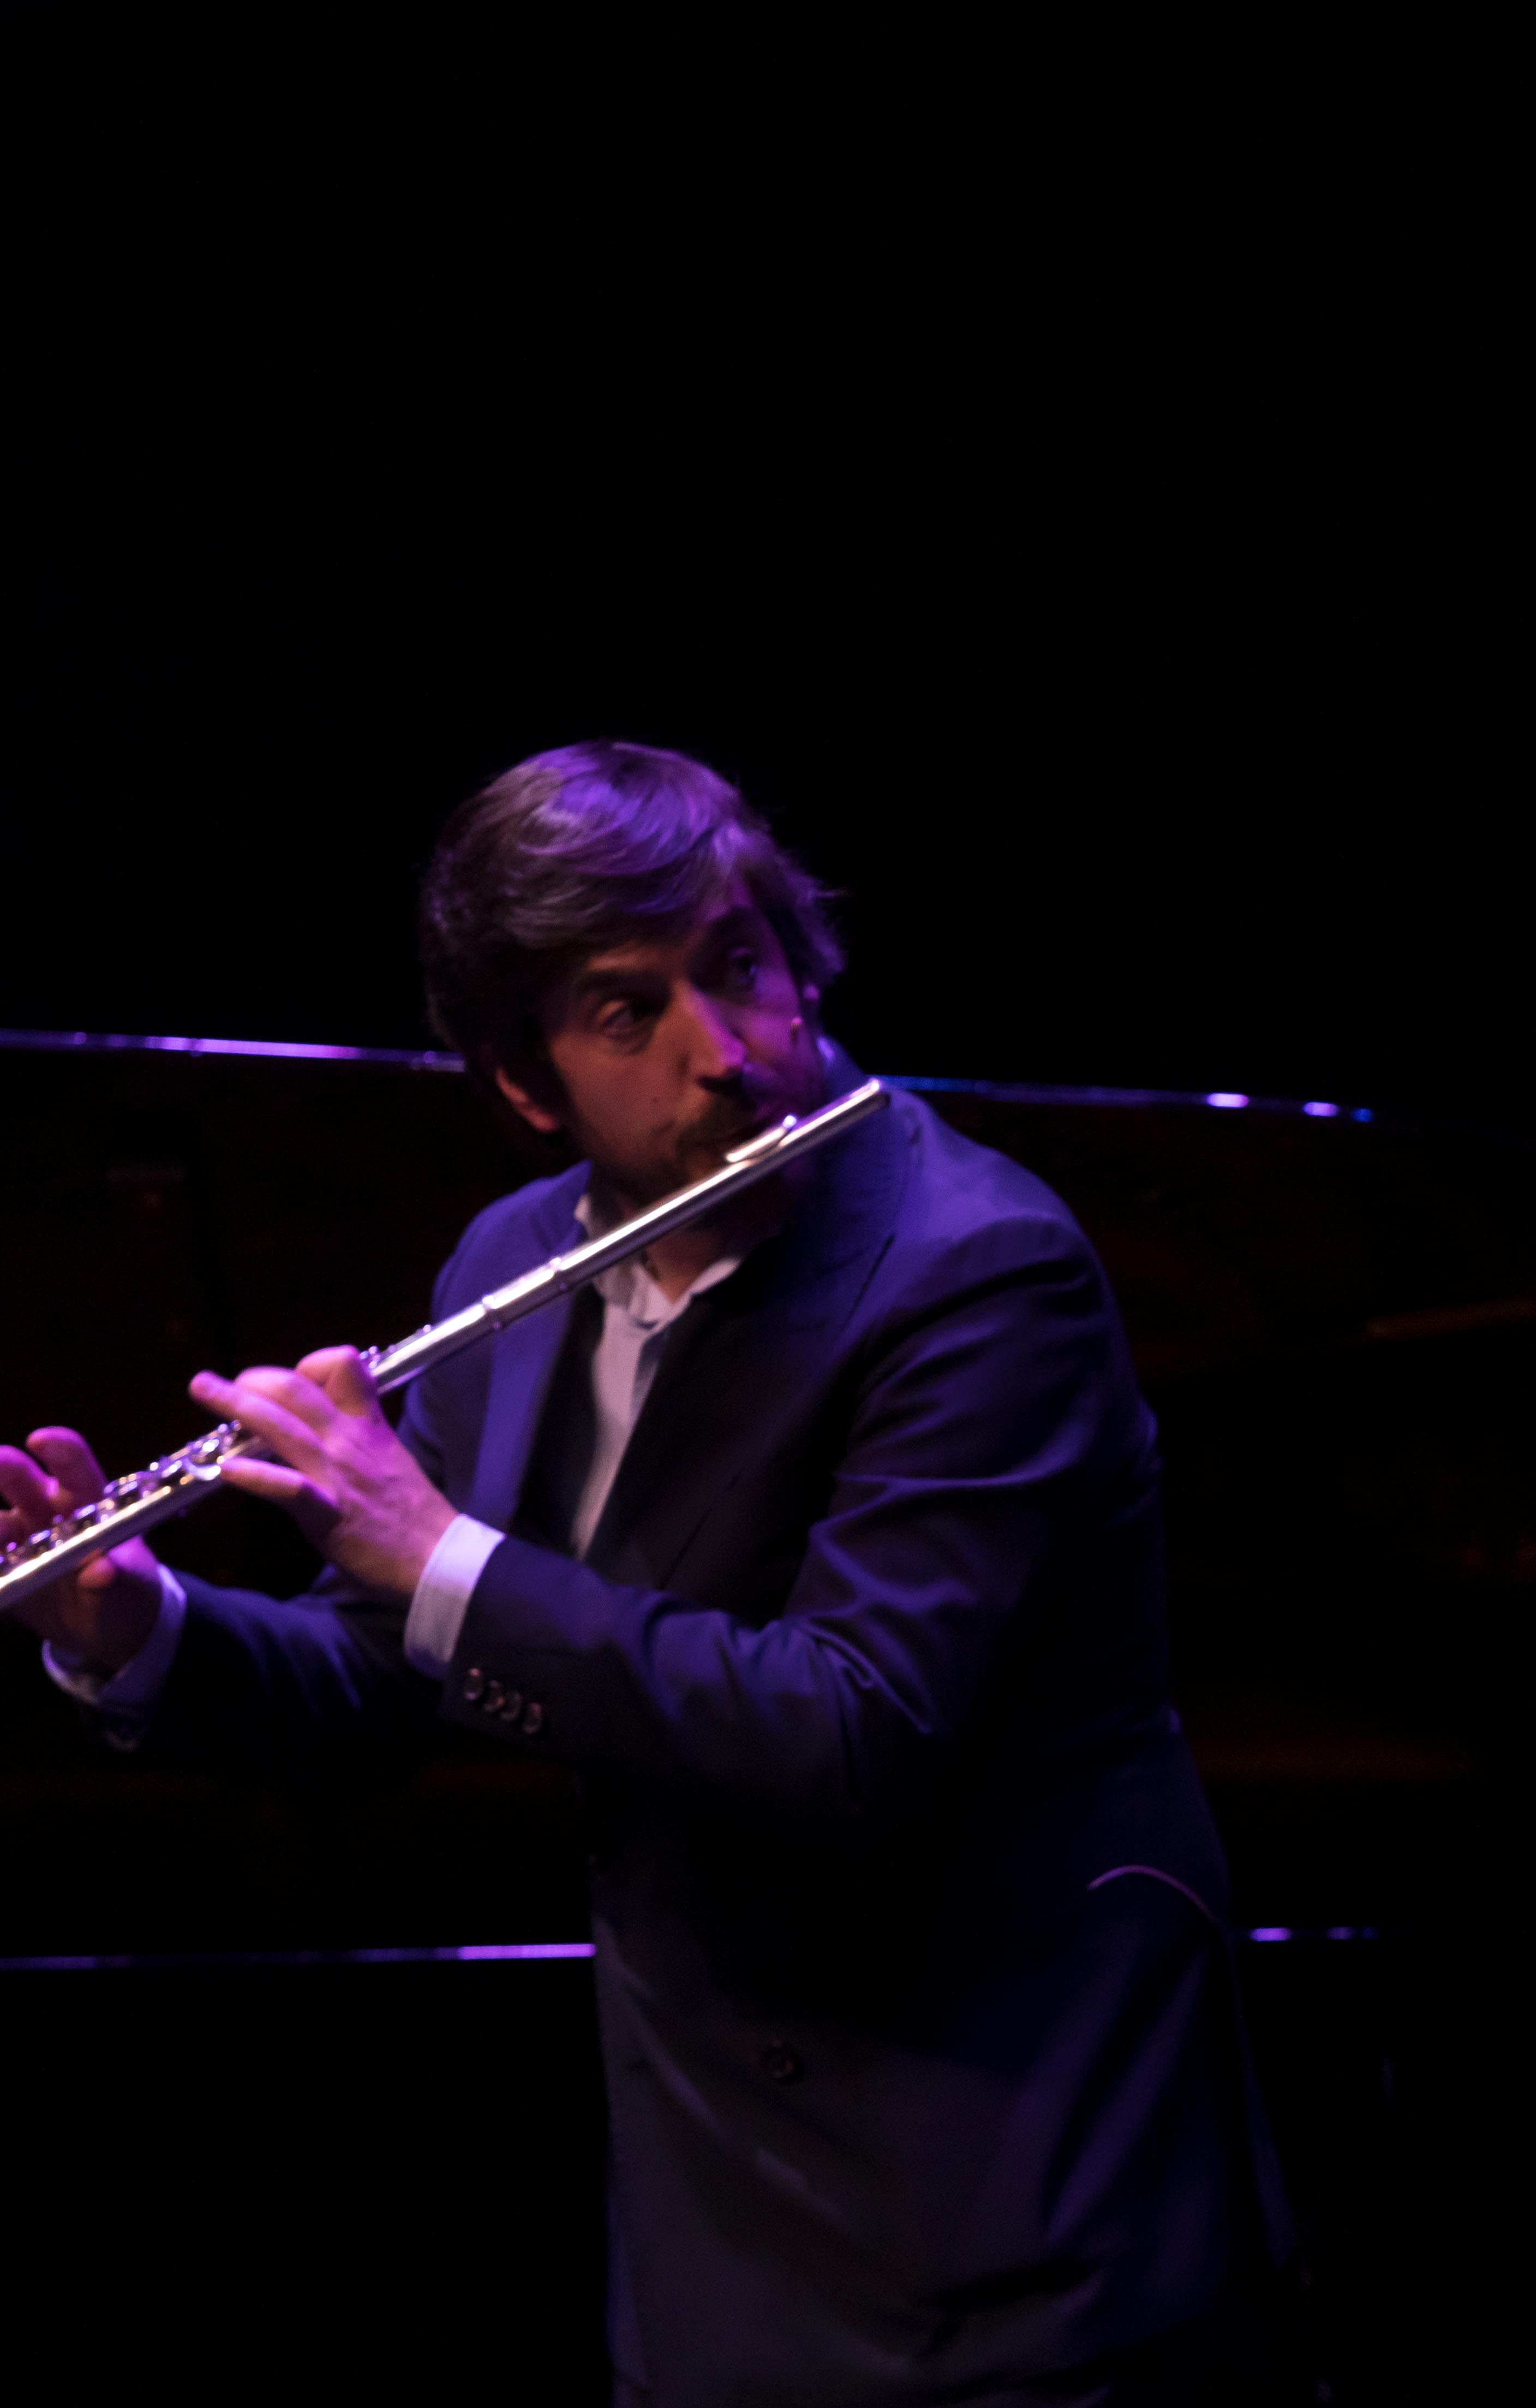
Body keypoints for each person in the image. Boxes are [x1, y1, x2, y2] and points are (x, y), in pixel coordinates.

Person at [0, 743, 1279, 2405]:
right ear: (526, 1081)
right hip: (714, 2228)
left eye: (739, 964)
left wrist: (437, 1547)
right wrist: (140, 1624)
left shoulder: (977, 1274)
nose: (728, 1048)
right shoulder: (519, 1258)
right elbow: (396, 1658)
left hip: (1015, 2213)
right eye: (630, 1011)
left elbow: (851, 1730)